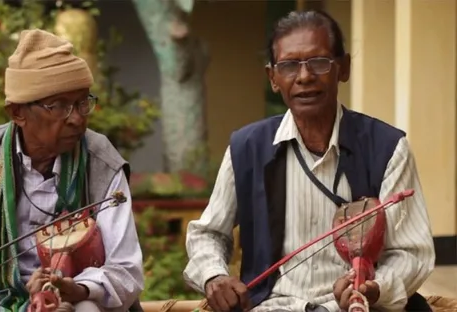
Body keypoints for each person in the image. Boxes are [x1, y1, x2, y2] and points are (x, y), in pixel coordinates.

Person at [183, 10, 435, 312]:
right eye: (289, 65)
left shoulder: (387, 147)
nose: (304, 77)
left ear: (343, 68)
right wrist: (214, 277)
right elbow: (208, 233)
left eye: (319, 62)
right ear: (272, 78)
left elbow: (411, 252)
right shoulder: (247, 147)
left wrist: (373, 288)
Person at [0, 29, 144, 312]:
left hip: (79, 300)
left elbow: (126, 269)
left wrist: (77, 288)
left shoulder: (103, 162)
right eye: (60, 106)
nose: (77, 118)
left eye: (82, 102)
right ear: (18, 112)